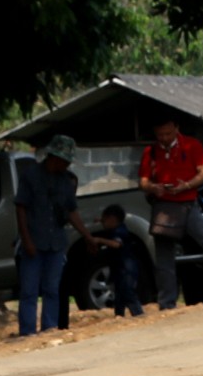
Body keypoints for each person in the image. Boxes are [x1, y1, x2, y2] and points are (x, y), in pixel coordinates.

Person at [139, 116, 203, 310]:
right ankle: (167, 301)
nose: (164, 138)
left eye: (168, 133)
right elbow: (143, 182)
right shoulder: (150, 152)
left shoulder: (192, 145)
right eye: (160, 135)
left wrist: (187, 185)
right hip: (164, 207)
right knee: (164, 255)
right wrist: (154, 187)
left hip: (188, 204)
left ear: (176, 128)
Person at [13, 134, 97, 337]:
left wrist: (87, 235)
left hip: (56, 242)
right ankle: (27, 331)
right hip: (34, 240)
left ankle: (49, 328)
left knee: (53, 289)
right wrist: (26, 239)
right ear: (54, 157)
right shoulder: (31, 176)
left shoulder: (66, 181)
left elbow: (71, 212)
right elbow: (21, 208)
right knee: (29, 291)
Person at [91, 205, 146, 318]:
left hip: (127, 267)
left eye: (104, 220)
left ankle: (138, 313)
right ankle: (119, 315)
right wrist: (100, 220)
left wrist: (100, 240)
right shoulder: (117, 227)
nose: (103, 223)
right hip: (119, 267)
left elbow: (116, 244)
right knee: (119, 293)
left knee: (127, 291)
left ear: (112, 219)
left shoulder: (120, 231)